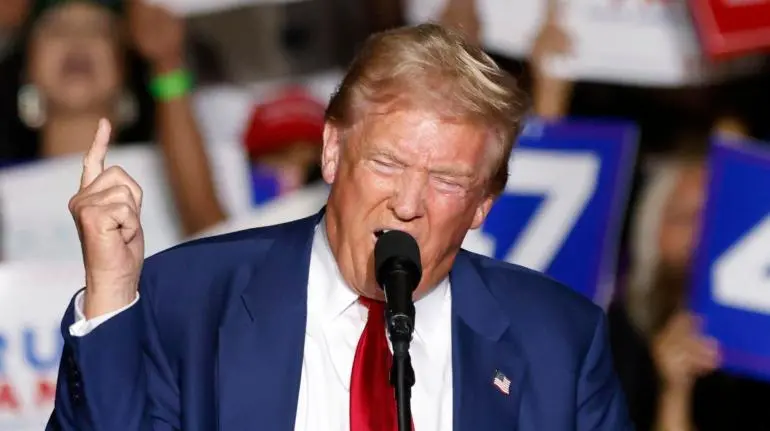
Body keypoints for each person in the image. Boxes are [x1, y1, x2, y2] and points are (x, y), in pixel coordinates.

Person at [48, 23, 632, 430]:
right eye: (387, 163)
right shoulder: (189, 300)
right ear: (332, 151)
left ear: (483, 204)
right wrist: (112, 296)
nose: (408, 204)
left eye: (447, 180)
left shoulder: (559, 341)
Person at [0, 0, 225, 236]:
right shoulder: (6, 183)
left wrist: (166, 64)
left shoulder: (181, 174)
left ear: (124, 68)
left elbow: (214, 236)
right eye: (56, 28)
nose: (77, 40)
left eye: (98, 30)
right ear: (27, 68)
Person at [608, 143, 770, 430]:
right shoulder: (613, 338)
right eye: (685, 217)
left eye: (716, 217)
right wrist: (674, 393)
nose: (703, 233)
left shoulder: (755, 344)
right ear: (651, 231)